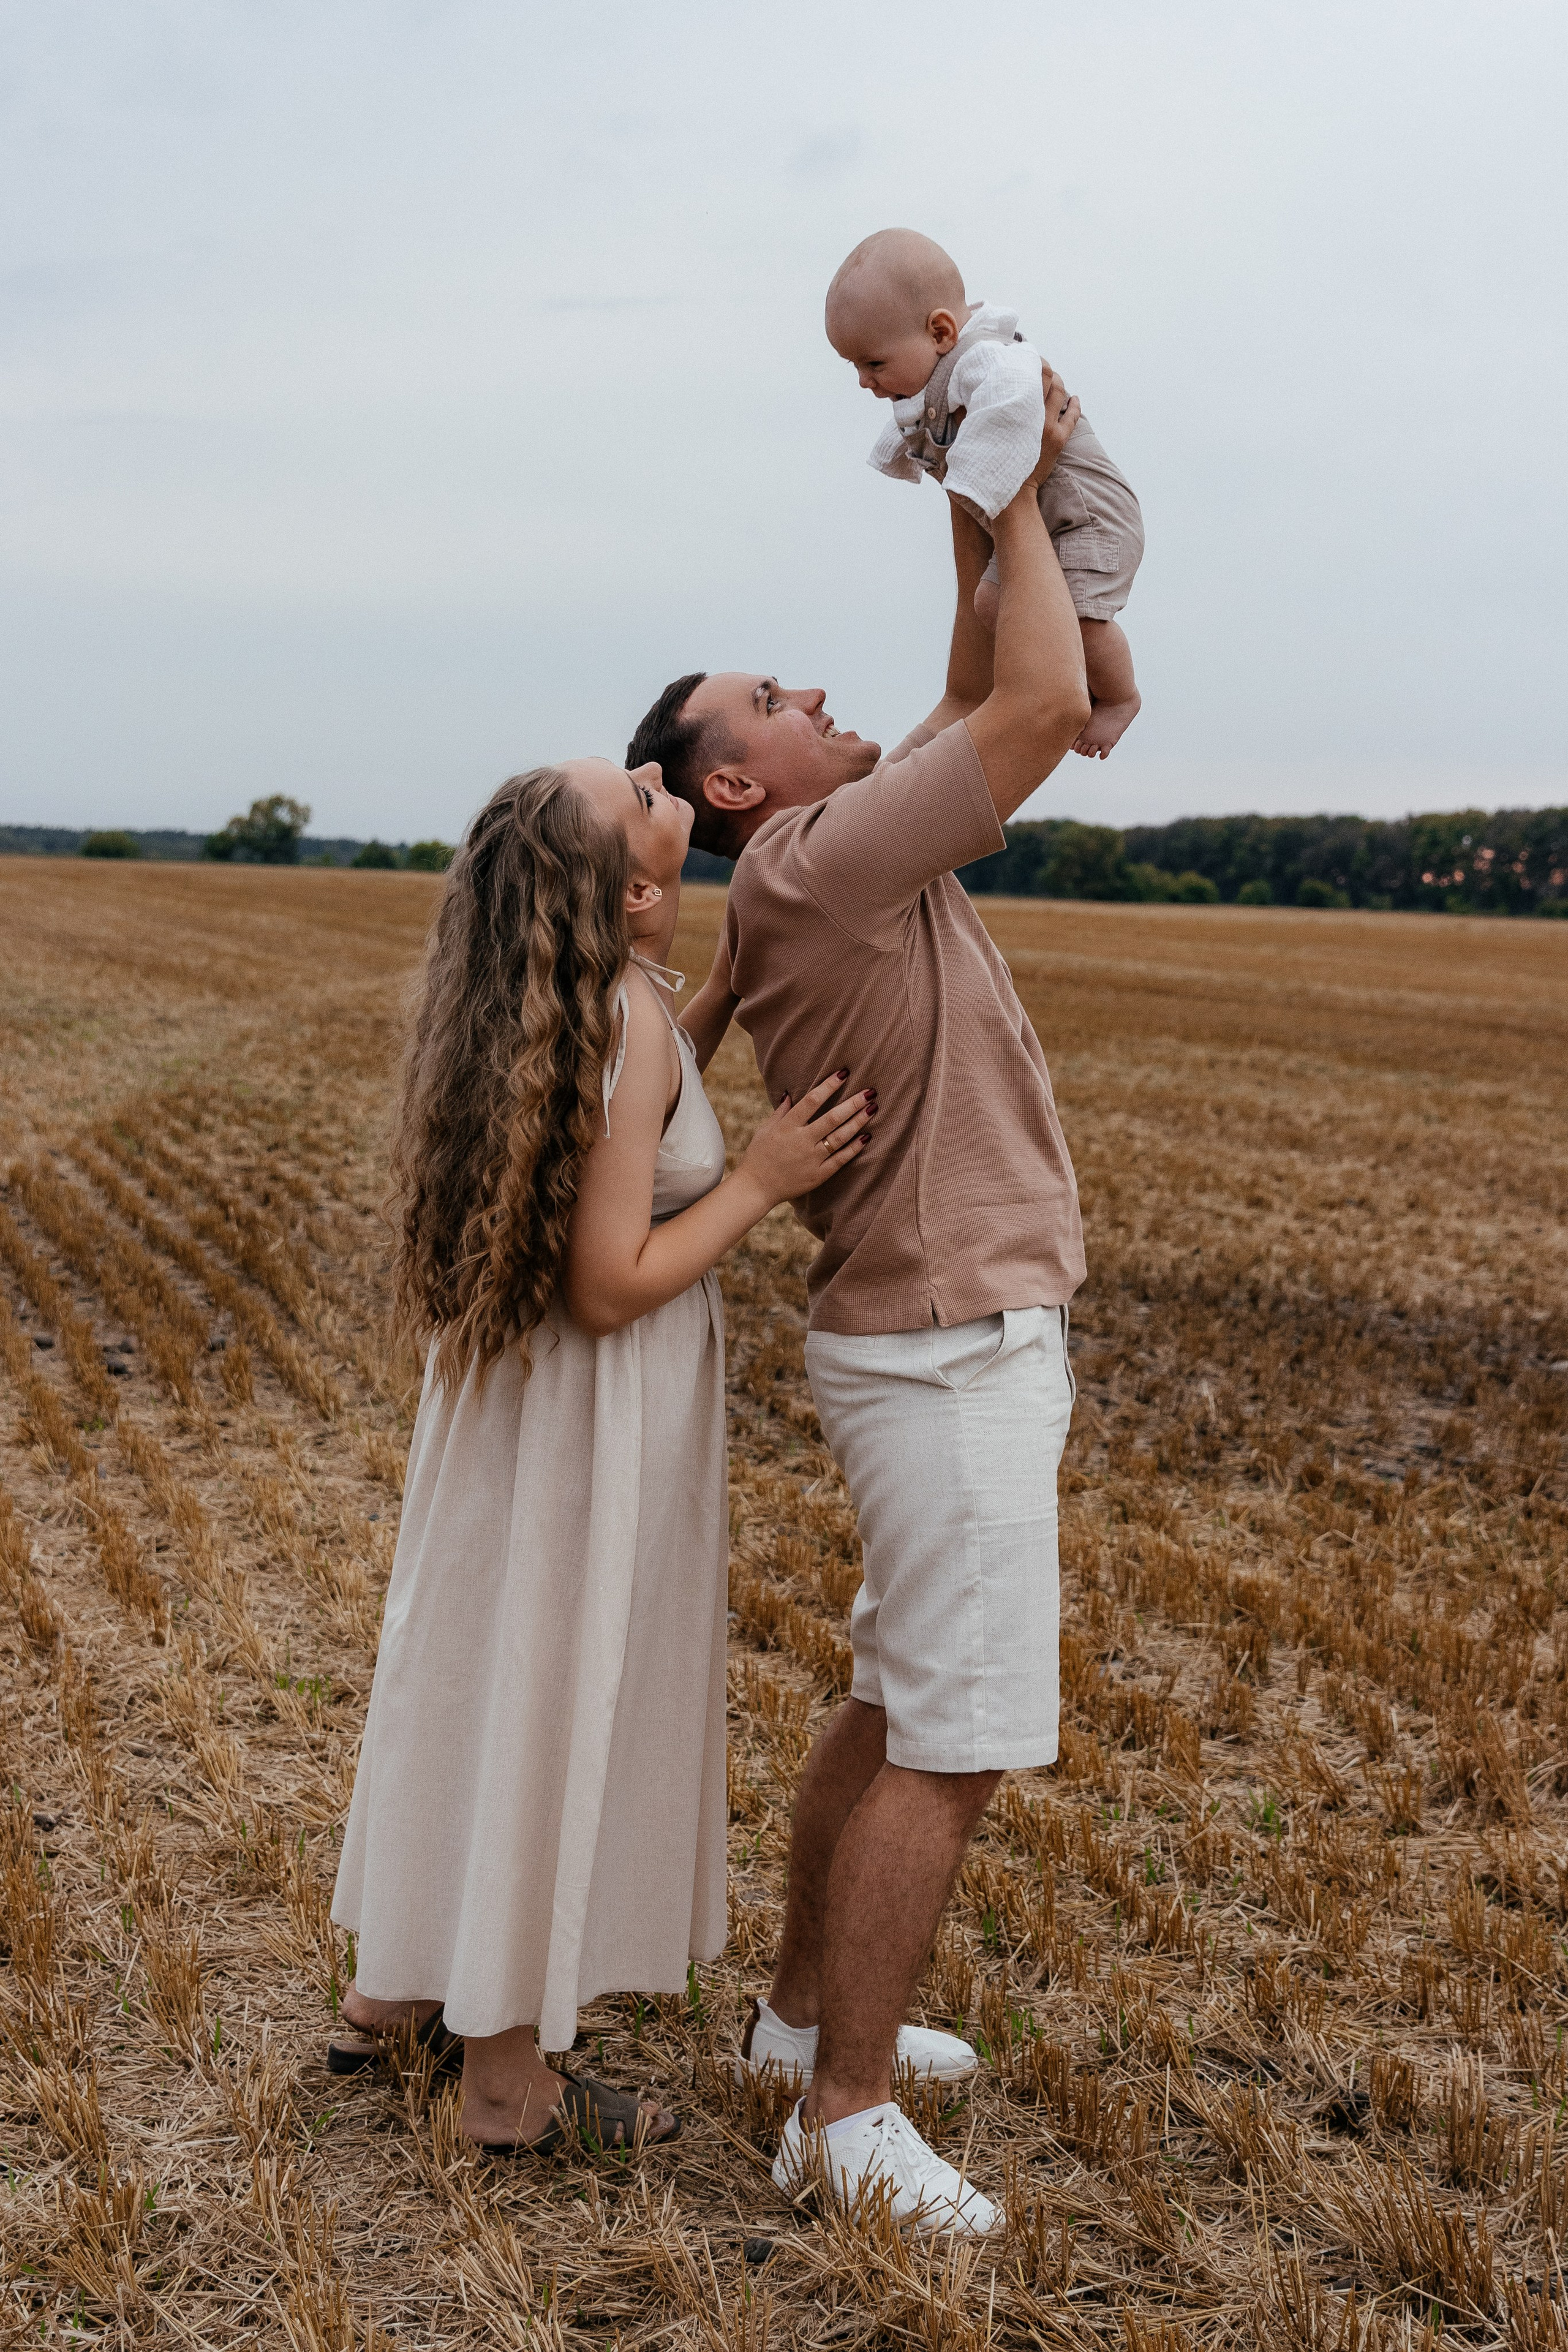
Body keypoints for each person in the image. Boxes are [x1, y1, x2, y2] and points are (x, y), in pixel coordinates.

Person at [627, 371, 1090, 2233]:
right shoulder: (824, 866)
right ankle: (840, 2112)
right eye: (773, 699)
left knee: (888, 1693)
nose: (813, 693)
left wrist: (965, 488)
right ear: (741, 783)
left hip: (912, 1331)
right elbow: (1038, 702)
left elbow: (974, 679)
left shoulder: (813, 864)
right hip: (948, 1342)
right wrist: (1035, 482)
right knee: (952, 1737)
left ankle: (795, 2015)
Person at [326, 758, 873, 2152]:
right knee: (544, 1699)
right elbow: (611, 1277)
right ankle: (506, 2083)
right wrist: (760, 1177)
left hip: (514, 1418)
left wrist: (726, 990)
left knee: (472, 1674)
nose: (651, 776)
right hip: (587, 1416)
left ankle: (391, 1988)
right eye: (632, 790)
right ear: (624, 889)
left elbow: (639, 1084)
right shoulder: (619, 1017)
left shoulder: (586, 1009)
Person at [826, 225, 1143, 760]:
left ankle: (1120, 697)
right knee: (995, 604)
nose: (864, 381)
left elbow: (1014, 405)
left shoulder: (990, 360)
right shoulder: (931, 376)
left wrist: (971, 481)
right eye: (854, 366)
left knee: (1086, 614)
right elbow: (915, 429)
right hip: (1041, 519)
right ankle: (1075, 678)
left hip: (1086, 513)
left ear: (942, 332)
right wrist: (904, 458)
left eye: (874, 363)